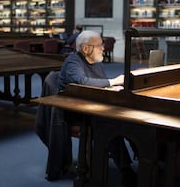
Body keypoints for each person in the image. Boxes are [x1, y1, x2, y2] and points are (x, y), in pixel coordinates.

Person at [58, 30, 137, 187]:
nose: (103, 48)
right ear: (86, 48)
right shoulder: (73, 61)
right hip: (76, 111)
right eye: (99, 45)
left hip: (95, 105)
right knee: (111, 126)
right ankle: (126, 170)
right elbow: (82, 82)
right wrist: (112, 82)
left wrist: (110, 88)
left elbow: (99, 83)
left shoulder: (96, 61)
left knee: (130, 121)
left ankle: (145, 157)